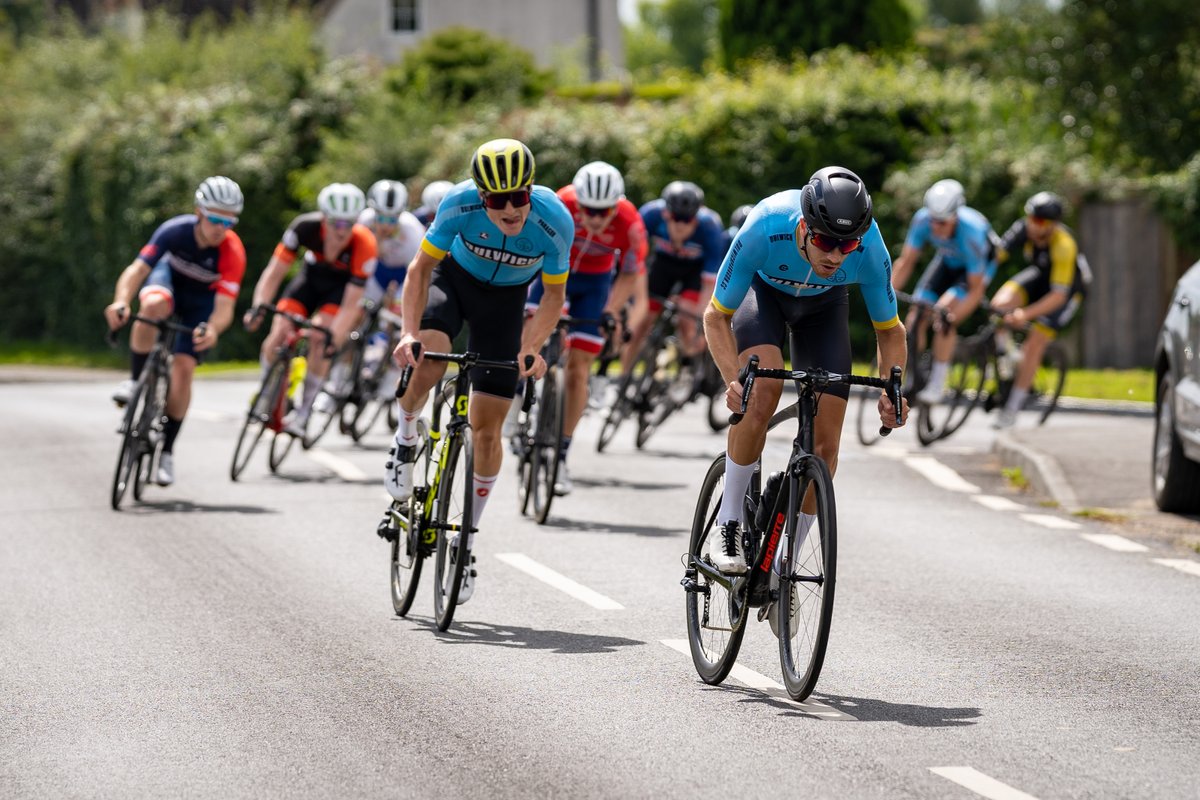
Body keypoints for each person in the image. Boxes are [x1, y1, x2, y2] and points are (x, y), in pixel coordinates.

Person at [386, 138, 575, 602]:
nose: (510, 209)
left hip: (507, 305)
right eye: (497, 200)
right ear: (480, 195)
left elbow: (552, 297)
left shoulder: (554, 222)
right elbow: (420, 269)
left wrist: (531, 347)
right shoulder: (457, 204)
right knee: (428, 358)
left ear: (531, 190)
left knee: (488, 430)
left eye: (519, 197)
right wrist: (408, 332)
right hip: (454, 284)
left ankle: (466, 539)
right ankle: (406, 437)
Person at [703, 166, 909, 575]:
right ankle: (726, 523)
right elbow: (715, 316)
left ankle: (787, 564)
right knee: (760, 395)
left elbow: (890, 330)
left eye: (846, 246)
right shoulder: (765, 225)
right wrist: (734, 380)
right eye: (824, 241)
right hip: (764, 298)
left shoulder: (870, 248)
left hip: (824, 309)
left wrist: (894, 390)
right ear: (803, 227)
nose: (834, 255)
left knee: (826, 446)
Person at [103, 176, 247, 486]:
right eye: (214, 218)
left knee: (183, 369)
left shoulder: (233, 252)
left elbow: (224, 307)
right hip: (167, 283)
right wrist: (120, 302)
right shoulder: (174, 231)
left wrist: (213, 329)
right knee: (152, 306)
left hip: (200, 304)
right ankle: (133, 380)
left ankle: (166, 451)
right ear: (198, 212)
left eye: (229, 220)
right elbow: (137, 270)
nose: (221, 226)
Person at [524, 160, 647, 495]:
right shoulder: (561, 203)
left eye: (603, 210)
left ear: (616, 204)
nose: (594, 218)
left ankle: (560, 454)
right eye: (588, 209)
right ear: (578, 201)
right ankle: (518, 404)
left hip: (594, 283)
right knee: (527, 340)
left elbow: (630, 272)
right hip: (552, 273)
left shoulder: (630, 223)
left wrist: (610, 310)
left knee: (579, 370)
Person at [244, 183, 376, 437]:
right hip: (309, 281)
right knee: (279, 331)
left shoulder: (364, 244)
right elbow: (274, 272)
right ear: (324, 218)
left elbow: (350, 306)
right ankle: (266, 392)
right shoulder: (304, 227)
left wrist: (333, 339)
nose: (343, 230)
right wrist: (258, 306)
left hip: (339, 290)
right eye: (337, 223)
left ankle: (304, 413)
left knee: (319, 338)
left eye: (350, 223)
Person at [890, 178, 998, 404]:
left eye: (942, 223)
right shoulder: (922, 219)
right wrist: (885, 295)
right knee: (915, 316)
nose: (936, 227)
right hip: (947, 261)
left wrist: (953, 318)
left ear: (956, 217)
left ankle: (938, 384)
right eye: (933, 222)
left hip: (975, 271)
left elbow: (976, 288)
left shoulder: (971, 232)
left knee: (944, 316)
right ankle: (913, 377)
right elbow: (906, 262)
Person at [988, 191, 1090, 428]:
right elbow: (995, 256)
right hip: (1041, 277)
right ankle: (1010, 358)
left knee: (1035, 343)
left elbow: (1057, 296)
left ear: (1053, 225)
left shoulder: (1064, 245)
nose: (1033, 225)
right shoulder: (1023, 228)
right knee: (997, 307)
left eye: (1040, 221)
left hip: (1065, 292)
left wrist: (1024, 314)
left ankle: (1012, 409)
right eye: (1031, 218)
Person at [624, 181, 725, 377]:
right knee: (640, 324)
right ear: (665, 214)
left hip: (694, 272)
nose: (679, 225)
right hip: (662, 265)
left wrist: (700, 317)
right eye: (675, 218)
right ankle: (623, 378)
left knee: (688, 320)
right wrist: (634, 301)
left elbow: (709, 281)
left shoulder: (710, 226)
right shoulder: (650, 215)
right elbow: (634, 261)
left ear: (696, 219)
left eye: (686, 220)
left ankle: (687, 362)